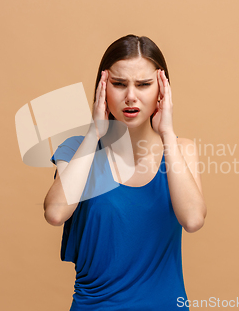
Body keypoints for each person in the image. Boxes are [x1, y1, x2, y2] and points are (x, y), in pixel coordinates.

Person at [43, 34, 206, 310]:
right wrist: (94, 132)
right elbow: (55, 213)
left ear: (162, 91)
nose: (131, 96)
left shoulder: (180, 150)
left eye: (143, 84)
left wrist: (167, 133)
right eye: (119, 84)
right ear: (103, 88)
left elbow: (192, 220)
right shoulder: (76, 150)